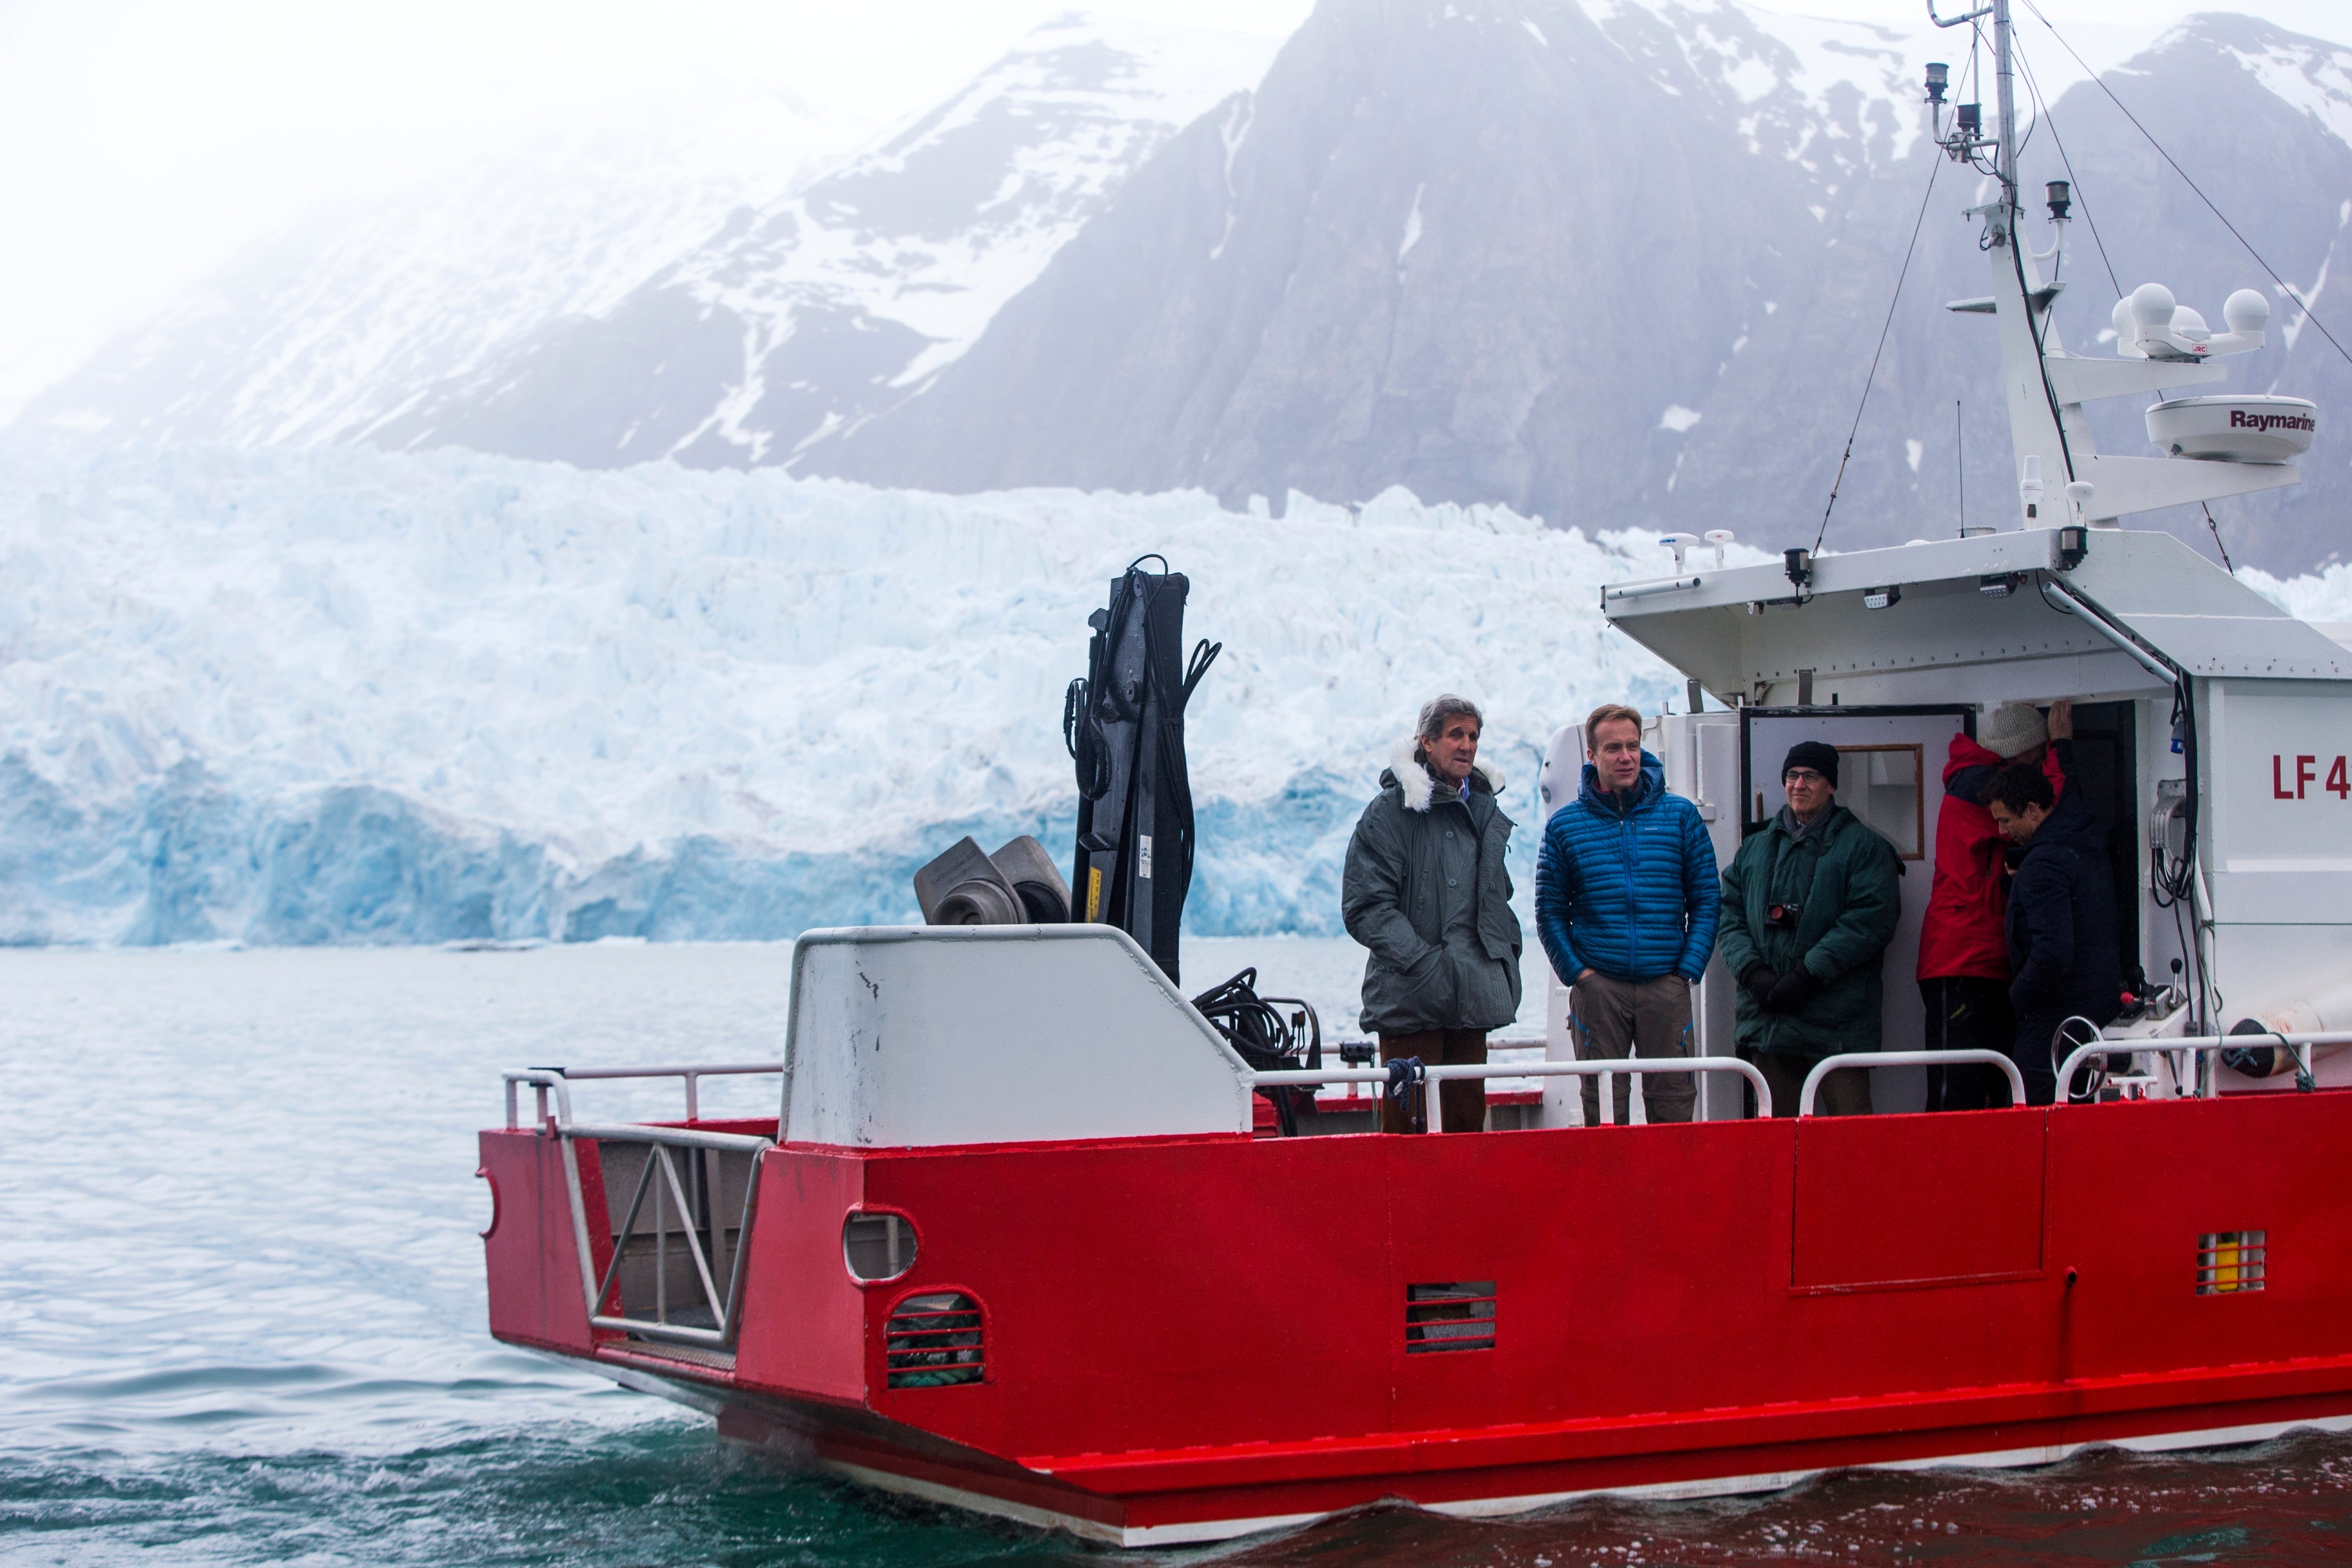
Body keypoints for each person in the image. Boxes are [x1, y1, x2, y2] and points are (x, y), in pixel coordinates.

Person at [1342, 695, 1523, 1133]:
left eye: (1474, 736)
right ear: (1426, 741)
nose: (1466, 745)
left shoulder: (1483, 809)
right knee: (1408, 1125)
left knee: (1466, 1121)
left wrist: (1504, 955)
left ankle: (1463, 1205)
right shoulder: (1390, 812)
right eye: (1455, 734)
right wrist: (1425, 964)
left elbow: (1497, 899)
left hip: (1473, 993)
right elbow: (1365, 906)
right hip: (1412, 996)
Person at [1534, 703, 1719, 1127]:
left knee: (1673, 1104)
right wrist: (1580, 976)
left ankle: (1670, 1190)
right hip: (1599, 989)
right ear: (1592, 756)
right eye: (1614, 748)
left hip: (1666, 985)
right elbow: (1549, 912)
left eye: (1633, 746)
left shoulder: (1680, 817)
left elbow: (1707, 899)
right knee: (1603, 1108)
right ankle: (1610, 1190)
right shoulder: (1566, 826)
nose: (1626, 756)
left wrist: (1687, 971)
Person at [1716, 741, 1903, 1117]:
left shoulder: (1865, 848)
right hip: (1770, 1022)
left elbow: (1871, 920)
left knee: (1850, 1143)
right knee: (1779, 1144)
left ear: (1831, 785)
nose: (1799, 785)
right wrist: (1753, 974)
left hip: (1838, 1028)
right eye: (1792, 776)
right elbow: (1728, 914)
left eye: (1810, 777)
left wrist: (1807, 976)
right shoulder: (1754, 849)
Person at [1916, 700, 2072, 1110]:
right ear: (2022, 753)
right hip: (1965, 956)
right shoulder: (1981, 786)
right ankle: (1949, 1172)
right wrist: (2061, 749)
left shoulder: (1972, 777)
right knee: (1960, 1091)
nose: (2039, 769)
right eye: (2036, 759)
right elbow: (2048, 809)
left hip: (1971, 954)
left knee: (1981, 1084)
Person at [1988, 746, 2121, 1105]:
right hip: (2098, 1012)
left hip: (2054, 1020)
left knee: (2030, 1113)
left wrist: (2015, 1000)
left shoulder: (2043, 865)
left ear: (2033, 811)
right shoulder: (2085, 842)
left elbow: (2052, 953)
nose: (2002, 831)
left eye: (2006, 820)